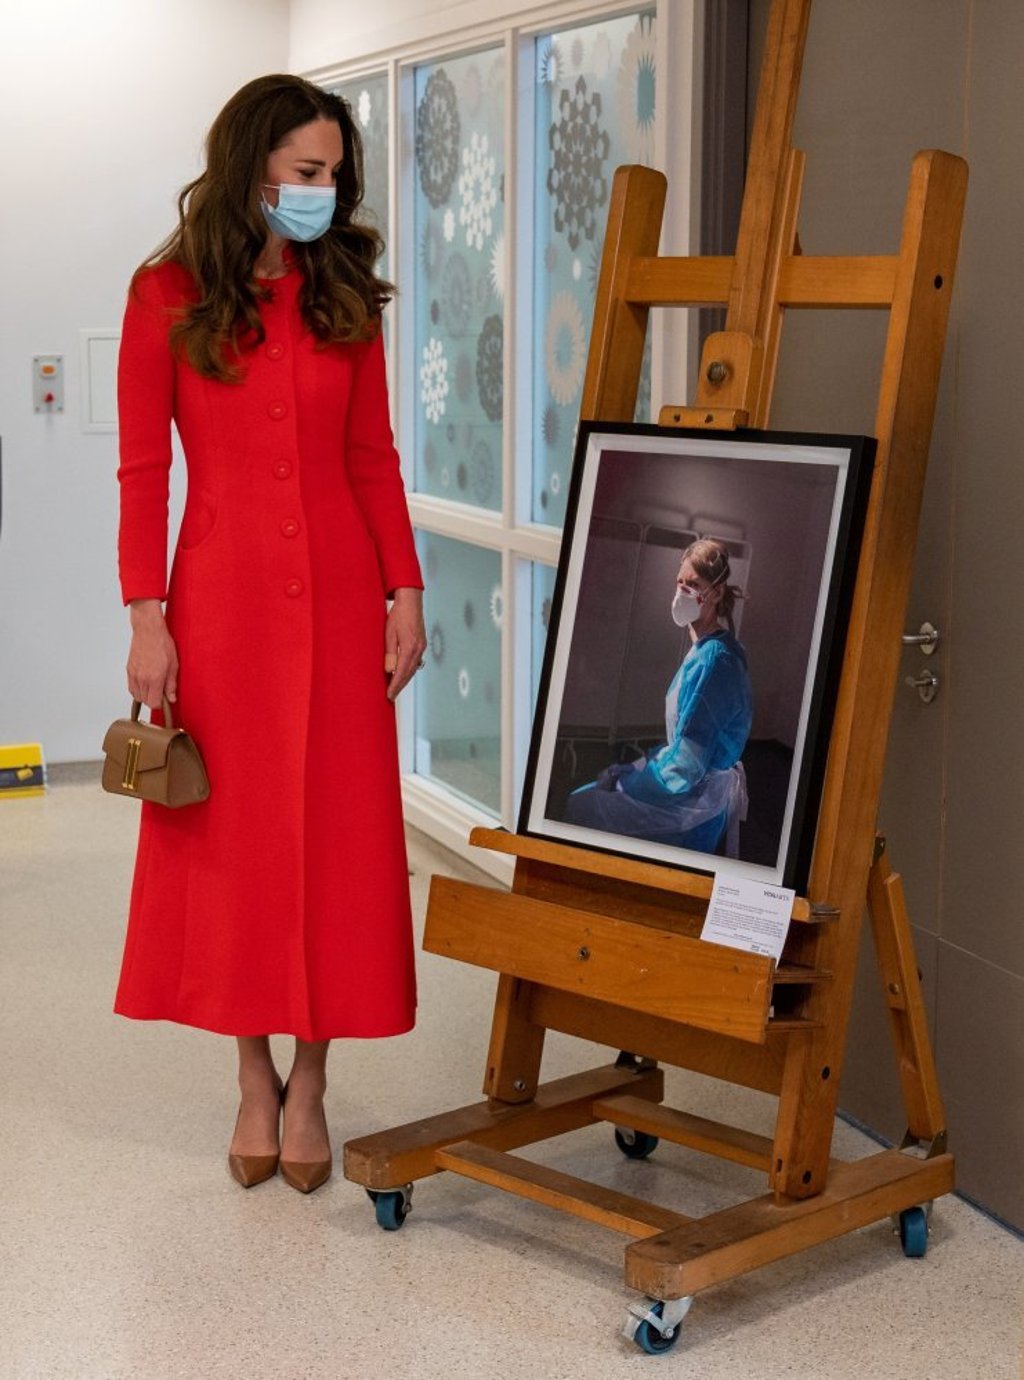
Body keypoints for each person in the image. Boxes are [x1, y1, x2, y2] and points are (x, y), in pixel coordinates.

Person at [114, 74, 426, 1194]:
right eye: (306, 172)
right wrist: (146, 617)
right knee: (237, 843)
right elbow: (144, 468)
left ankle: (315, 1075)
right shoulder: (166, 295)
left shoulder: (345, 294)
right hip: (220, 607)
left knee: (335, 843)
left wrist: (407, 592)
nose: (324, 192)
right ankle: (253, 1076)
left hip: (343, 600)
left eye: (335, 174)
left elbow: (371, 457)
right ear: (251, 168)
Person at [564, 538, 751, 856]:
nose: (682, 592)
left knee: (580, 805)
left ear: (716, 593)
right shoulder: (708, 650)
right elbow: (684, 743)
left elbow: (687, 764)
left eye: (693, 584)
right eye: (680, 582)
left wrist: (627, 782)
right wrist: (631, 767)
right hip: (692, 787)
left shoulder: (716, 661)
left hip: (693, 805)